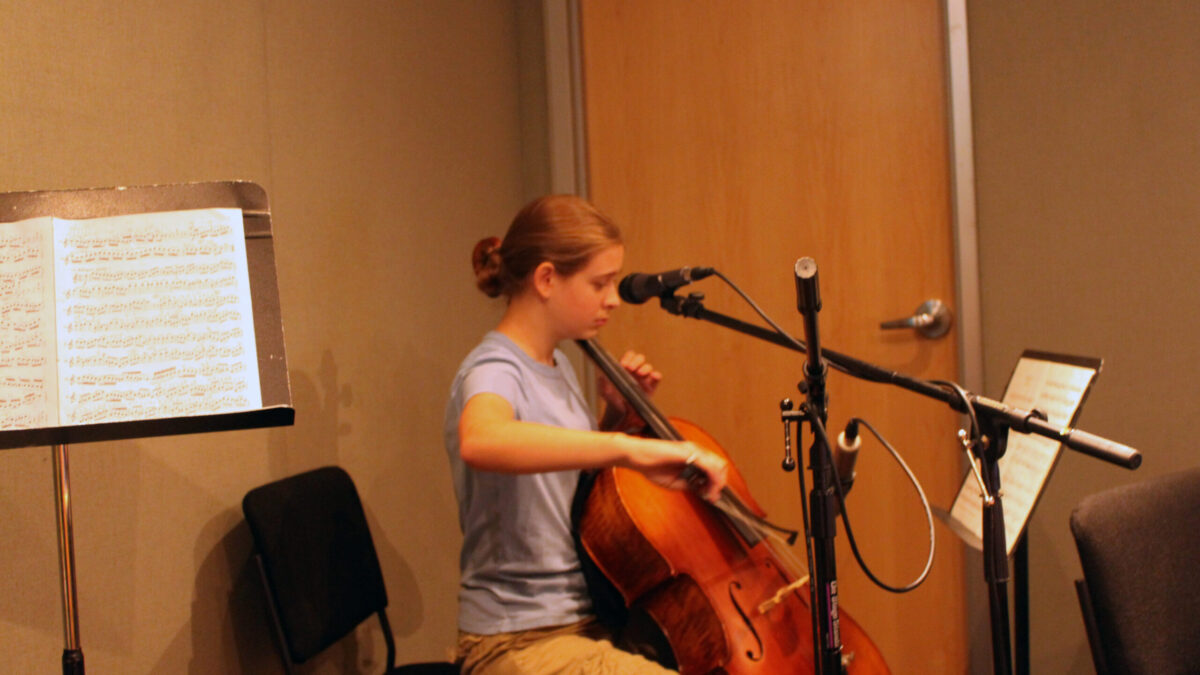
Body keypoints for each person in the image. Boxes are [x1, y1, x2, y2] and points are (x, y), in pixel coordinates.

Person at [443, 194, 729, 674]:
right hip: (515, 640)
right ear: (547, 279)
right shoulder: (493, 368)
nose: (614, 298)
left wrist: (614, 419)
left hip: (582, 619)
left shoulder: (555, 365)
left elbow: (556, 480)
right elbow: (482, 440)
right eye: (600, 283)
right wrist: (627, 449)